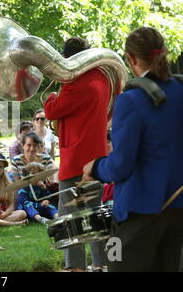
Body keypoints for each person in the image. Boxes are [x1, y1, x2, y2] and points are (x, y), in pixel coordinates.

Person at [82, 27, 183, 272]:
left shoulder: (130, 100)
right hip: (177, 209)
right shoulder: (181, 91)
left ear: (131, 58)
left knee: (115, 264)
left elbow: (120, 166)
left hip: (139, 211)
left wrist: (94, 167)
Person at [44, 37, 109, 272]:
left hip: (75, 161)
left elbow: (52, 110)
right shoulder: (103, 78)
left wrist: (51, 96)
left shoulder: (75, 84)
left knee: (69, 217)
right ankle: (102, 265)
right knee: (95, 214)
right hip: (98, 159)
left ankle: (76, 268)